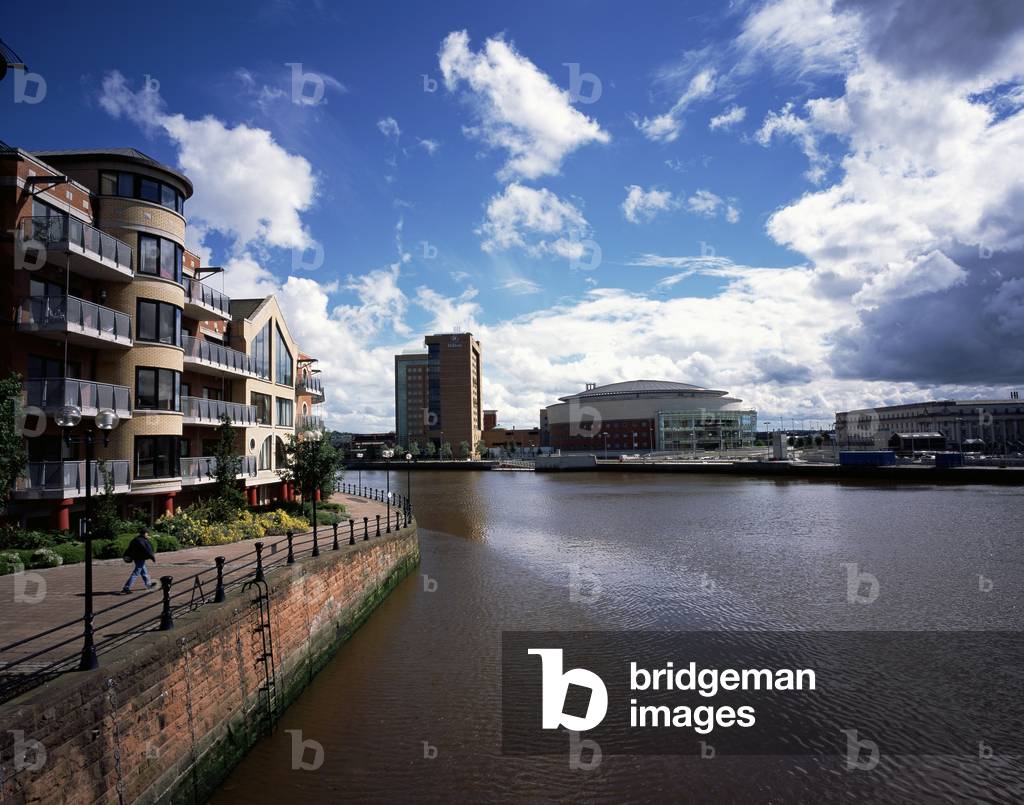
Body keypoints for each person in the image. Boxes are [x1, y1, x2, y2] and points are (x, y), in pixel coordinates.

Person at [121, 528, 157, 593]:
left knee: (144, 572)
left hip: (137, 558)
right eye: (147, 533)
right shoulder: (141, 540)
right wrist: (152, 557)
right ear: (144, 533)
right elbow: (146, 550)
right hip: (140, 558)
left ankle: (148, 584)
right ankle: (126, 587)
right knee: (136, 572)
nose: (148, 534)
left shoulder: (136, 539)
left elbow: (130, 548)